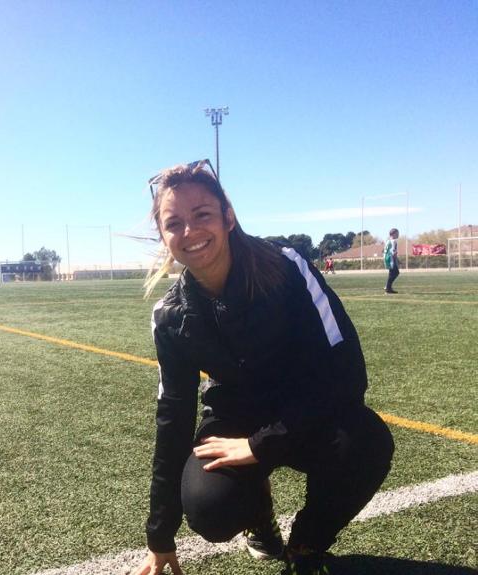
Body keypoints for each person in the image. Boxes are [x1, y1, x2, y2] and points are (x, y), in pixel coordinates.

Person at [132, 161, 394, 575]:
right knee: (210, 507)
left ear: (228, 217)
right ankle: (258, 515)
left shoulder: (285, 266)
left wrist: (261, 445)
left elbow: (347, 371)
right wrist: (160, 536)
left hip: (305, 409)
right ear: (164, 236)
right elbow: (173, 419)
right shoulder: (171, 316)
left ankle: (307, 544)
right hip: (234, 418)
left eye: (202, 215)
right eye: (174, 223)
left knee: (366, 443)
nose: (190, 232)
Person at [383, 228, 400, 294]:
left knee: (391, 273)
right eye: (397, 233)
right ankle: (387, 287)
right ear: (393, 234)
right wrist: (396, 260)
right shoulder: (394, 241)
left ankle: (388, 287)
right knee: (396, 272)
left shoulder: (387, 241)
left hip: (386, 258)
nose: (398, 234)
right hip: (390, 258)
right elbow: (393, 252)